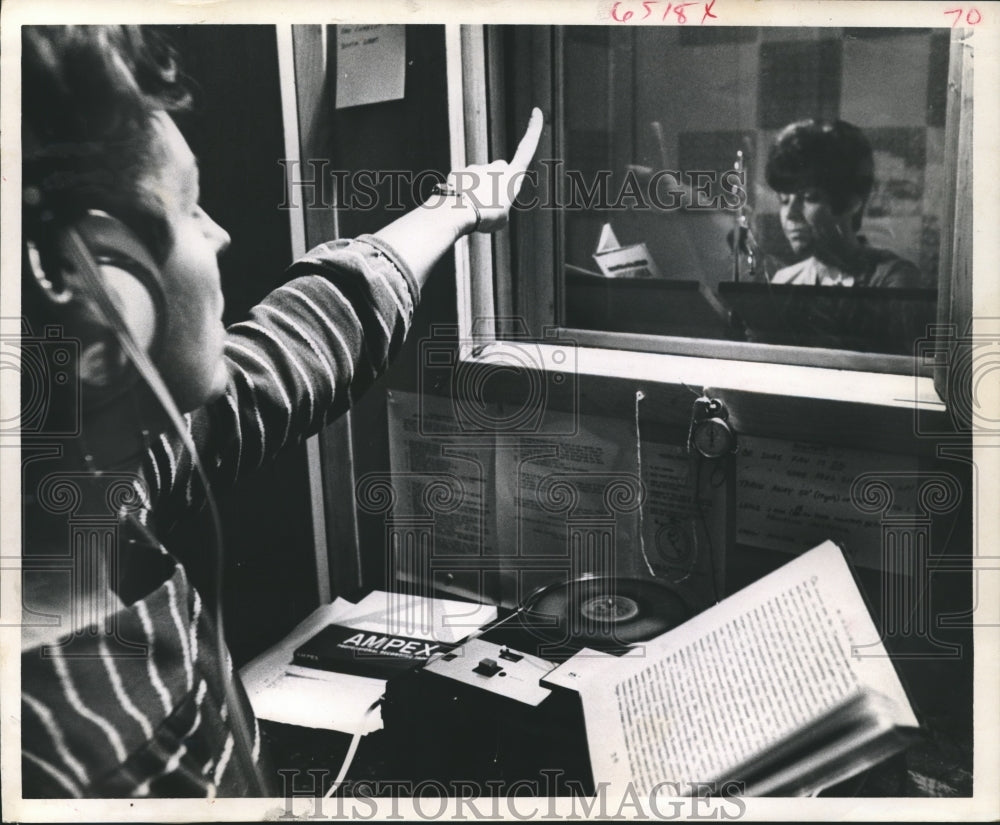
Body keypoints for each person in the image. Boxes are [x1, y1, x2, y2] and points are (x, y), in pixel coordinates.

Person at [19, 25, 542, 798]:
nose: (220, 233)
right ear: (107, 302)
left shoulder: (97, 478)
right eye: (190, 207)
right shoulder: (90, 764)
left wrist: (455, 206)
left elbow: (290, 352)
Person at [764, 118, 928, 289]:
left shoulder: (893, 277)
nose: (790, 214)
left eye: (809, 198)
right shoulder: (784, 280)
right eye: (783, 200)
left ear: (851, 202)